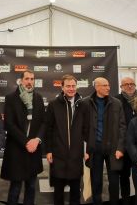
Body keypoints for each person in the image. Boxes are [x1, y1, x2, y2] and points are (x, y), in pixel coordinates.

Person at [1, 70, 46, 205]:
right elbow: (9, 124)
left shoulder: (38, 98)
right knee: (15, 187)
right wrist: (27, 142)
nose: (29, 82)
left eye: (32, 79)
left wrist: (36, 140)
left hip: (34, 150)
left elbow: (44, 122)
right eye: (27, 79)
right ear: (21, 81)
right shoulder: (10, 98)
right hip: (17, 149)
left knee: (31, 187)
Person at [45, 75, 88, 205]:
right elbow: (48, 129)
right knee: (58, 192)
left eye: (73, 86)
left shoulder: (83, 104)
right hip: (58, 155)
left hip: (76, 155)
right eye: (68, 86)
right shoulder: (53, 104)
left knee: (75, 191)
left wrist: (87, 150)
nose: (71, 89)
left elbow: (87, 130)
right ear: (62, 87)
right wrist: (48, 150)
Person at [83, 77, 126, 205]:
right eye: (104, 85)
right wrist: (84, 149)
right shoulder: (85, 103)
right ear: (96, 87)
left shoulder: (117, 103)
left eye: (108, 85)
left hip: (113, 149)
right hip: (94, 148)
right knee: (96, 181)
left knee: (114, 182)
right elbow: (81, 128)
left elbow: (122, 127)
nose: (108, 88)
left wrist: (120, 148)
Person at [114, 77, 137, 204]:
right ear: (121, 87)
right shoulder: (115, 100)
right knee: (124, 176)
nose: (129, 86)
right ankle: (125, 201)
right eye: (126, 84)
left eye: (132, 84)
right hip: (123, 145)